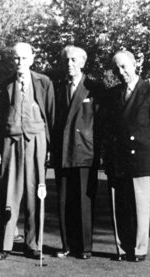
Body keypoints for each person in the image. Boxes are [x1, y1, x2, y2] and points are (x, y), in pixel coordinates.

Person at [105, 50, 150, 262]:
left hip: (141, 159)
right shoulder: (113, 94)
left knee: (140, 209)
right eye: (116, 69)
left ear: (135, 64)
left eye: (124, 66)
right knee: (120, 208)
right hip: (119, 160)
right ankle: (123, 248)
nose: (121, 72)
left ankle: (139, 250)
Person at [0, 42, 55, 260]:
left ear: (32, 59)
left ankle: (33, 244)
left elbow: (50, 115)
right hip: (11, 141)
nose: (20, 62)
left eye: (24, 58)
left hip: (36, 141)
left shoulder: (44, 82)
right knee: (9, 193)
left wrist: (49, 146)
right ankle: (6, 244)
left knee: (36, 194)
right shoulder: (4, 86)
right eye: (16, 58)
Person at [51, 45, 103, 260]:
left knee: (83, 200)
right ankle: (66, 245)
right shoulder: (57, 87)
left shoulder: (94, 87)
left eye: (74, 60)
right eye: (66, 60)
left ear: (82, 62)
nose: (69, 64)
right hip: (63, 151)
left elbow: (100, 121)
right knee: (64, 201)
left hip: (84, 151)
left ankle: (84, 247)